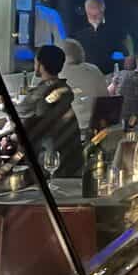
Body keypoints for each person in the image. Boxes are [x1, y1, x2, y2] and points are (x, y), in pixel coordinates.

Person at [13, 45, 83, 177]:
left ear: (40, 64)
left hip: (46, 159)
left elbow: (18, 111)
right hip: (71, 159)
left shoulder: (42, 91)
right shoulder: (64, 88)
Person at [60, 39, 108, 132]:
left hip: (71, 132)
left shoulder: (60, 73)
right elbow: (106, 98)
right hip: (97, 129)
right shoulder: (94, 70)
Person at [74, 0, 122, 72]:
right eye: (90, 14)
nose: (93, 17)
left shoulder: (113, 33)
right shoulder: (79, 35)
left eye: (96, 14)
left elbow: (121, 56)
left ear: (102, 11)